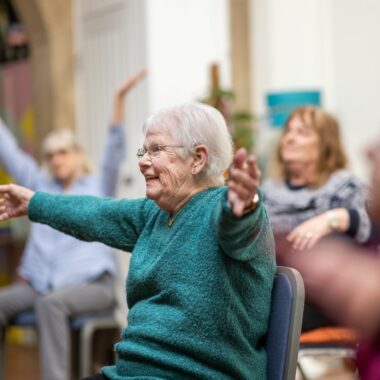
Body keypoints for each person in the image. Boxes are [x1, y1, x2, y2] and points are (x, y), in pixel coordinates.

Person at [0, 102, 276, 380]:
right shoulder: (156, 214)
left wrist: (245, 206)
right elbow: (98, 214)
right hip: (130, 373)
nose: (143, 161)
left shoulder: (224, 208)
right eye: (143, 151)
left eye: (156, 150)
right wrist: (34, 202)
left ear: (198, 158)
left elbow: (238, 228)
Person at [0, 69, 146, 380]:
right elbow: (9, 151)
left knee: (50, 305)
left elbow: (114, 148)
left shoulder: (97, 184)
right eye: (50, 154)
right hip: (42, 284)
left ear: (79, 155)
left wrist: (119, 100)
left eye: (64, 152)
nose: (57, 160)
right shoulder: (38, 185)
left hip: (94, 286)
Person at [277, 138, 380, 380]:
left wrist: (333, 219)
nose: (370, 149)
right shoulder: (275, 189)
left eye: (302, 132)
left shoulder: (346, 190)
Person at [261, 105, 372, 331]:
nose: (290, 138)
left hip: (321, 300)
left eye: (302, 132)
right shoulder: (268, 190)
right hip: (272, 290)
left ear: (324, 143)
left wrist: (335, 218)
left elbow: (372, 227)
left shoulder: (343, 185)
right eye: (288, 131)